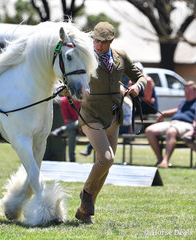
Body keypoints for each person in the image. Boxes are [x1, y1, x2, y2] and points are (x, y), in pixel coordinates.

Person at [74, 22, 147, 224]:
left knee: (105, 167)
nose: (98, 45)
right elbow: (68, 81)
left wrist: (138, 87)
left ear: (111, 41)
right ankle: (86, 193)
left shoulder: (121, 56)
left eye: (103, 42)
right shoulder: (84, 56)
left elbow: (140, 76)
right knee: (107, 159)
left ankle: (84, 210)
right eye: (96, 40)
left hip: (113, 116)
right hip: (90, 115)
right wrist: (75, 90)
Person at [145, 81, 196, 168]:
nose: (186, 94)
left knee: (171, 131)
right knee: (149, 131)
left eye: (189, 92)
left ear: (195, 91)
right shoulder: (184, 102)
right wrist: (164, 113)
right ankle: (160, 159)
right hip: (173, 122)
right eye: (185, 92)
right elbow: (177, 110)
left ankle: (165, 161)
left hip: (188, 124)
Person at [51, 96, 81, 162]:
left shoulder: (81, 99)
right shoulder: (64, 100)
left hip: (84, 127)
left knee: (82, 121)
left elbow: (85, 117)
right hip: (72, 128)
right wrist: (76, 124)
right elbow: (67, 119)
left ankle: (62, 129)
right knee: (72, 132)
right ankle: (72, 161)